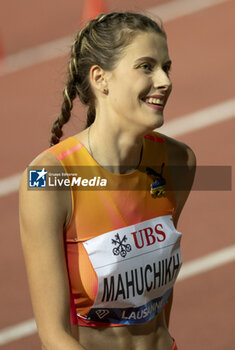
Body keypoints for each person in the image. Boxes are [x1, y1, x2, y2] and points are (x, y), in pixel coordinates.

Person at [19, 12, 196, 350]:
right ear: (101, 79)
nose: (165, 80)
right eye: (146, 66)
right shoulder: (47, 179)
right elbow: (53, 336)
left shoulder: (178, 162)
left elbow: (156, 300)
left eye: (166, 67)